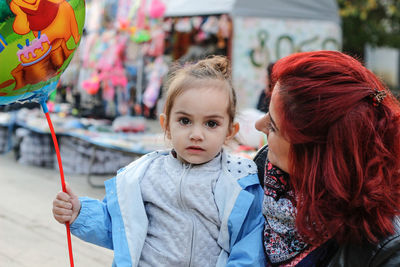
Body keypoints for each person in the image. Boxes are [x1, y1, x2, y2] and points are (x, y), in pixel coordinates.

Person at [52, 56, 266, 267]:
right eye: (185, 121)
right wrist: (79, 211)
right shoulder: (143, 175)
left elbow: (248, 249)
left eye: (211, 123)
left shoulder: (239, 183)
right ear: (166, 125)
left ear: (230, 131)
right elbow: (119, 225)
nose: (196, 134)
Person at [254, 50, 400, 266]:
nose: (258, 125)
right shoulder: (262, 175)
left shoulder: (383, 250)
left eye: (273, 126)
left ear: (317, 159)